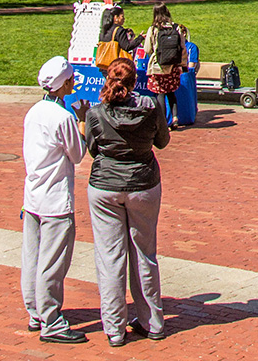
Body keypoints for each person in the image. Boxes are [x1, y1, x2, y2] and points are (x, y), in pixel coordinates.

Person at [85, 55, 170, 346]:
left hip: (105, 186)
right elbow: (162, 141)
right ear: (136, 81)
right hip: (143, 182)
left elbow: (93, 149)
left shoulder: (96, 113)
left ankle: (114, 328)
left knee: (110, 258)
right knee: (145, 253)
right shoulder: (151, 108)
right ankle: (152, 321)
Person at [22, 55, 89, 344]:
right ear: (63, 84)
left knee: (32, 258)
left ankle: (35, 312)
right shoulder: (63, 117)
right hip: (56, 199)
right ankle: (51, 321)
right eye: (71, 79)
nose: (74, 82)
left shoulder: (34, 111)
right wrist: (83, 121)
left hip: (33, 195)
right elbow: (77, 154)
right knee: (52, 262)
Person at [143, 6, 189, 129]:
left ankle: (162, 122)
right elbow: (182, 47)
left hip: (158, 66)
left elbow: (147, 48)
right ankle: (175, 118)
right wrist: (183, 64)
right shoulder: (176, 27)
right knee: (171, 92)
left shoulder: (153, 29)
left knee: (160, 94)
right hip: (173, 66)